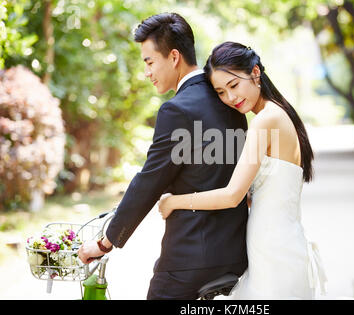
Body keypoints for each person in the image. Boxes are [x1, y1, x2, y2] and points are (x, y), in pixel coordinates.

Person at [77, 14, 249, 300]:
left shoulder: (176, 110)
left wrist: (105, 243)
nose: (147, 72)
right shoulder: (230, 100)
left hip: (189, 260)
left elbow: (150, 181)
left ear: (173, 56)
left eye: (149, 61)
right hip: (235, 255)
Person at [158, 41, 328, 299]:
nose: (231, 97)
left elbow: (232, 196)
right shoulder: (278, 114)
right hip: (277, 247)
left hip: (274, 253)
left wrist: (174, 202)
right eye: (221, 92)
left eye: (234, 85)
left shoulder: (266, 119)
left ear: (255, 73)